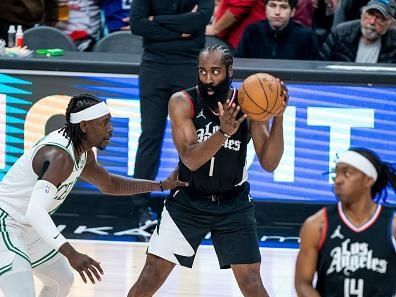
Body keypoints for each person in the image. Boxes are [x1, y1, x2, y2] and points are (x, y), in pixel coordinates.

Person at [126, 44, 289, 297]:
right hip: (188, 201)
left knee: (252, 283)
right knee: (150, 276)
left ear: (229, 71)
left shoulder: (248, 104)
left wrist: (278, 116)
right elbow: (190, 160)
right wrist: (223, 132)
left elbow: (270, 163)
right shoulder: (183, 102)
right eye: (203, 72)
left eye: (215, 72)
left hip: (233, 203)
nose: (208, 79)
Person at [0, 94, 186, 297]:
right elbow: (35, 211)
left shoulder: (82, 152)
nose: (110, 129)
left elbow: (110, 184)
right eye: (104, 123)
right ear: (84, 126)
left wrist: (161, 185)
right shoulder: (60, 156)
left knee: (62, 281)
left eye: (110, 122)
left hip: (28, 228)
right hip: (6, 226)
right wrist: (72, 254)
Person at [130, 0, 213, 227]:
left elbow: (200, 20)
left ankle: (196, 201)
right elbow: (137, 25)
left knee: (194, 138)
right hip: (153, 66)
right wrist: (181, 28)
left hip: (188, 65)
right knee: (150, 135)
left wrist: (156, 21)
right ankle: (141, 206)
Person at [295, 147, 396, 297]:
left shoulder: (392, 224)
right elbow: (302, 283)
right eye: (336, 173)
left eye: (347, 173)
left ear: (368, 180)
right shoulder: (317, 225)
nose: (338, 180)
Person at [235, 0, 319, 60]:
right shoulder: (252, 32)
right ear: (265, 9)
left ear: (292, 12)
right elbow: (240, 63)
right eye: (272, 5)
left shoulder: (307, 37)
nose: (277, 12)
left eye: (284, 7)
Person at [319, 0, 396, 63]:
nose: (372, 22)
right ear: (362, 14)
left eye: (380, 18)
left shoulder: (394, 43)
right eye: (370, 14)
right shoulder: (340, 34)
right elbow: (320, 65)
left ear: (389, 24)